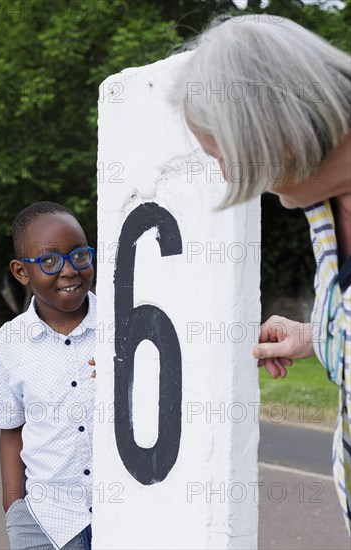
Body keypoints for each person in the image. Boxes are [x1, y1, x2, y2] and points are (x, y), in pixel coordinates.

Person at [171, 14, 350, 534]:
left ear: (278, 133)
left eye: (224, 153)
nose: (228, 175)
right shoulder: (322, 204)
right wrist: (323, 335)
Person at [0, 201, 97, 549]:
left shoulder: (121, 326)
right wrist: (15, 509)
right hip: (47, 523)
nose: (69, 270)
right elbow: (12, 430)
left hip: (127, 517)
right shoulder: (11, 341)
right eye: (49, 261)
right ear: (22, 272)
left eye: (80, 255)